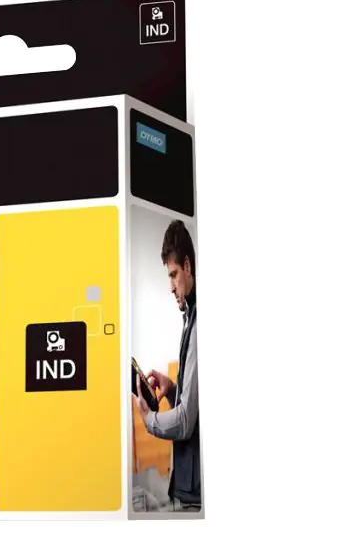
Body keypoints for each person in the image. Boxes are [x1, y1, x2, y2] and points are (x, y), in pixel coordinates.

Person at [135, 219, 201, 511]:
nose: (171, 287)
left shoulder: (198, 324)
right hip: (188, 487)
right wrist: (172, 388)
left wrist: (148, 419)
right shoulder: (190, 320)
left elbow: (185, 422)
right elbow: (195, 406)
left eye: (174, 275)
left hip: (196, 495)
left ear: (187, 266)